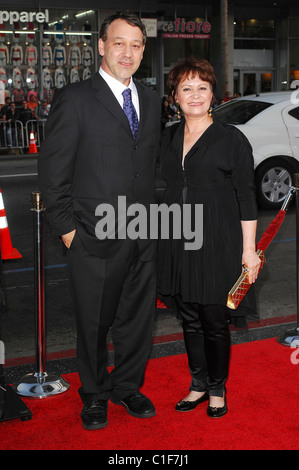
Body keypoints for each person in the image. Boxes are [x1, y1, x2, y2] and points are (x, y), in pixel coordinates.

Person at [38, 12, 161, 430]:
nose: (128, 52)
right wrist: (72, 235)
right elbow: (53, 178)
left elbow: (147, 169)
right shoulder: (74, 98)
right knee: (93, 324)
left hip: (143, 235)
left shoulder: (149, 97)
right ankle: (94, 394)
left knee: (137, 320)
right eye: (120, 42)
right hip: (93, 238)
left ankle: (127, 387)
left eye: (137, 45)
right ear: (102, 46)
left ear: (144, 51)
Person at [158, 57, 261, 418]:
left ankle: (217, 389)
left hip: (218, 240)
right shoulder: (168, 135)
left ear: (214, 94)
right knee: (188, 317)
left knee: (214, 319)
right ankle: (198, 384)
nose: (195, 94)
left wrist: (250, 252)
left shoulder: (231, 139)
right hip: (175, 238)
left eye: (202, 87)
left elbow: (246, 196)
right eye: (186, 88)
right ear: (174, 96)